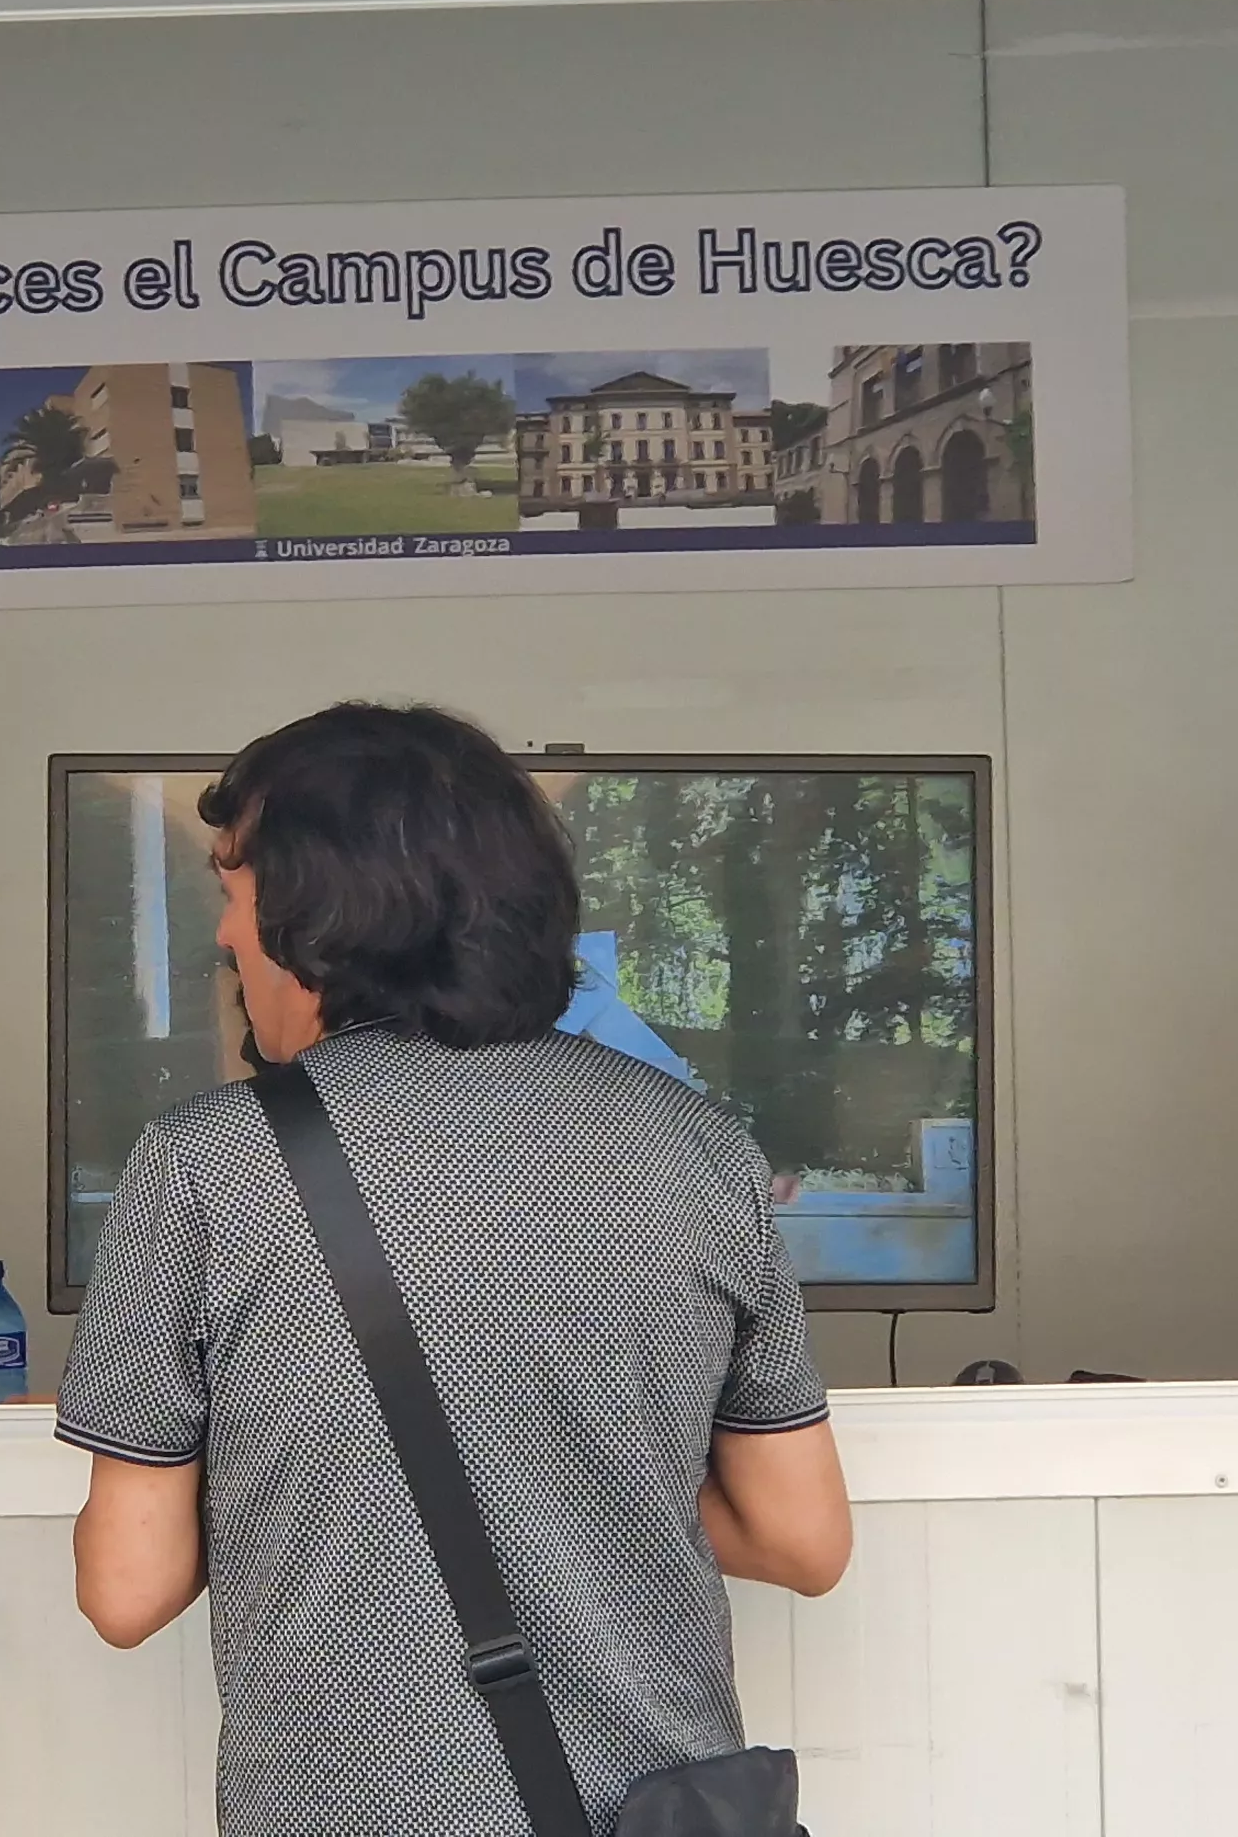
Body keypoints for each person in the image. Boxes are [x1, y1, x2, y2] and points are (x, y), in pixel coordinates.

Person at [60, 702, 854, 1837]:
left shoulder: (205, 1167)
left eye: (232, 892)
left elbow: (126, 1591)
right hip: (649, 1815)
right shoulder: (695, 1145)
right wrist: (579, 1463)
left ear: (317, 910)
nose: (226, 937)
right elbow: (802, 1540)